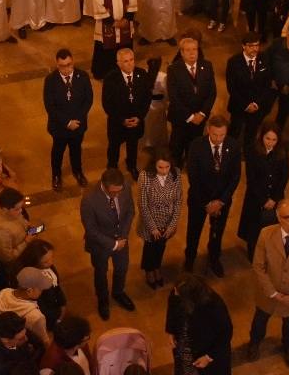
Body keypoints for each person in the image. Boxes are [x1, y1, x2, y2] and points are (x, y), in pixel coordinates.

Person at [246, 199, 289, 367]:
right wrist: (273, 293)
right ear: (278, 217)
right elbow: (258, 266)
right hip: (268, 293)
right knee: (260, 321)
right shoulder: (266, 234)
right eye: (288, 217)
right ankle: (254, 343)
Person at [165, 275, 232, 375]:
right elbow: (172, 310)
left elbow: (225, 334)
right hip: (185, 343)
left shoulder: (214, 306)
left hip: (204, 350)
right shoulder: (177, 292)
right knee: (186, 373)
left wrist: (208, 357)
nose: (174, 293)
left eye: (178, 293)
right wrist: (170, 331)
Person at [183, 116, 241, 277]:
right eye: (215, 135)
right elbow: (193, 177)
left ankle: (214, 258)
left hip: (222, 200)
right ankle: (190, 258)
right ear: (208, 130)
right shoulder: (196, 146)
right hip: (199, 199)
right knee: (193, 231)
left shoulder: (233, 146)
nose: (218, 139)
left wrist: (221, 201)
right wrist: (207, 203)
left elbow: (235, 177)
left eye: (222, 135)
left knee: (217, 231)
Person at [79, 168, 136, 321]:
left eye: (119, 191)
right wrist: (113, 244)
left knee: (122, 268)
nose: (117, 195)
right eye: (113, 192)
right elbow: (91, 230)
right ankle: (103, 300)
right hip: (100, 245)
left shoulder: (125, 187)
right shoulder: (89, 200)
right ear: (103, 185)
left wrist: (123, 237)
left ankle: (118, 293)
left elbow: (130, 211)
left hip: (121, 241)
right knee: (101, 272)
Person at [102, 49, 160, 179]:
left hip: (136, 120)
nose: (129, 64)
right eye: (125, 61)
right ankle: (112, 166)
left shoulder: (141, 74)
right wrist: (122, 120)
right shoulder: (110, 79)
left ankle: (132, 165)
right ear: (118, 63)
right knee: (114, 146)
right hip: (117, 122)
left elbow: (146, 98)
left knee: (133, 144)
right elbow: (107, 104)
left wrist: (139, 117)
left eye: (131, 60)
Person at [237, 125, 289, 261]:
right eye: (268, 138)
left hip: (275, 197)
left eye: (274, 139)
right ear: (261, 137)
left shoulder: (282, 151)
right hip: (256, 197)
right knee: (254, 226)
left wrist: (274, 198)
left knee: (272, 226)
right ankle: (253, 250)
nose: (270, 142)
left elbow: (284, 175)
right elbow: (251, 178)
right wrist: (263, 199)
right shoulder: (252, 151)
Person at [43, 48, 93, 190]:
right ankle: (56, 175)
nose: (67, 69)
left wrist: (77, 120)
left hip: (78, 124)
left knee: (76, 149)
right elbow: (50, 106)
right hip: (59, 126)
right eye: (63, 66)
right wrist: (67, 122)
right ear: (57, 64)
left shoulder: (82, 76)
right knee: (58, 151)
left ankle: (77, 172)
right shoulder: (51, 80)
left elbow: (88, 99)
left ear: (73, 61)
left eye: (69, 64)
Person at [166, 37, 217, 169]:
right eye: (188, 50)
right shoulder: (173, 69)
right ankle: (175, 168)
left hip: (200, 118)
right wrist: (190, 117)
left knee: (194, 144)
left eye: (194, 49)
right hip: (180, 118)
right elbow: (174, 98)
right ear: (182, 53)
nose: (192, 53)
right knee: (177, 145)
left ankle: (191, 163)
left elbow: (212, 93)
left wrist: (202, 113)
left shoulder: (207, 66)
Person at [138, 153, 183, 289]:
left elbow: (178, 201)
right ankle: (149, 270)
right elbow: (143, 204)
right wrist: (153, 227)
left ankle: (156, 267)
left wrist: (172, 225)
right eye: (160, 167)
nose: (164, 171)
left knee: (161, 247)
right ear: (154, 165)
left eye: (167, 167)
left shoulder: (176, 174)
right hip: (151, 222)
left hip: (167, 222)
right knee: (150, 247)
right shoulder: (145, 177)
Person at [90, 0, 138, 78]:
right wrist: (112, 22)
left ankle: (125, 69)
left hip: (125, 23)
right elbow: (97, 3)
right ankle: (106, 73)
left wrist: (127, 18)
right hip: (107, 24)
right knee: (106, 49)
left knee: (124, 46)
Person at [225, 32, 275, 145]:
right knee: (234, 131)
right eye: (251, 46)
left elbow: (267, 84)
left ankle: (248, 152)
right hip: (239, 105)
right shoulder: (233, 62)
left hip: (257, 106)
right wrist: (246, 105)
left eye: (257, 45)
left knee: (251, 133)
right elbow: (231, 88)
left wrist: (256, 103)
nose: (254, 49)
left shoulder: (264, 58)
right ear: (243, 46)